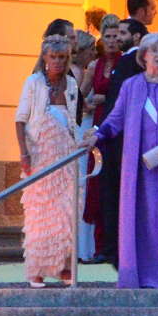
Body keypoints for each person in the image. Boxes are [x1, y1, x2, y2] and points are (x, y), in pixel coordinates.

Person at [81, 33, 158, 289]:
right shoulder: (131, 86)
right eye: (153, 50)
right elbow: (115, 119)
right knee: (144, 221)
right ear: (143, 56)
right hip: (139, 167)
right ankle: (144, 276)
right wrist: (97, 133)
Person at [15, 35, 79, 288]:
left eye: (62, 58)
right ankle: (37, 269)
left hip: (66, 154)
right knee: (41, 212)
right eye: (53, 57)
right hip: (40, 154)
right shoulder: (33, 83)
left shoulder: (71, 85)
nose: (58, 63)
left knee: (66, 212)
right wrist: (24, 153)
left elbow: (73, 119)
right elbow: (20, 119)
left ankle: (63, 266)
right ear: (44, 58)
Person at [95, 18, 148, 266]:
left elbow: (121, 103)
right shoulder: (126, 60)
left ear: (137, 37)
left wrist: (103, 130)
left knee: (116, 194)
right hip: (117, 136)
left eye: (124, 33)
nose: (118, 37)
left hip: (121, 141)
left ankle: (115, 249)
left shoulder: (130, 61)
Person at [80, 14, 122, 261]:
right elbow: (81, 95)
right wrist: (87, 103)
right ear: (102, 38)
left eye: (116, 36)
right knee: (96, 184)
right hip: (97, 126)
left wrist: (105, 99)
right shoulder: (95, 66)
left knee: (112, 184)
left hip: (115, 127)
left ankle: (113, 246)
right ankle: (98, 247)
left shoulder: (126, 63)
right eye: (107, 36)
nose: (112, 41)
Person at [71, 30, 98, 262]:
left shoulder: (81, 71)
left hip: (84, 127)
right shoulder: (79, 72)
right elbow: (79, 103)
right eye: (91, 49)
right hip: (83, 127)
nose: (93, 53)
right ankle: (82, 247)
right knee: (83, 184)